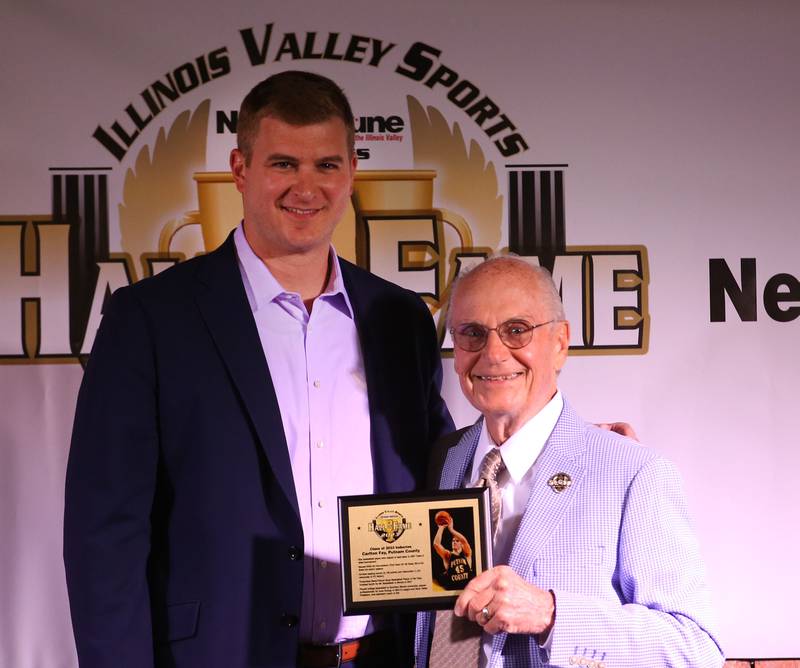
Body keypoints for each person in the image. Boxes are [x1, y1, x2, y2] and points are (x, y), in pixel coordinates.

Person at [64, 70, 453, 668]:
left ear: (352, 172)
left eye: (326, 165)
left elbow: (444, 471)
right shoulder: (151, 319)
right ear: (240, 169)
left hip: (381, 655)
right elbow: (106, 533)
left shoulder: (399, 318)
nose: (307, 186)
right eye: (283, 164)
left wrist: (560, 456)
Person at [415, 256, 724, 668]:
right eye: (472, 333)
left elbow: (696, 648)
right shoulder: (442, 460)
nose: (492, 353)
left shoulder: (633, 472)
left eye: (516, 331)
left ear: (560, 342)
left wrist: (551, 615)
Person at [433, 515, 473, 590]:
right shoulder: (447, 555)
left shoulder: (467, 553)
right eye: (453, 541)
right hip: (451, 590)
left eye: (457, 541)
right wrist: (441, 528)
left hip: (466, 590)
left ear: (461, 544)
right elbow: (436, 544)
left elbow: (464, 541)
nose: (454, 542)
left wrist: (451, 530)